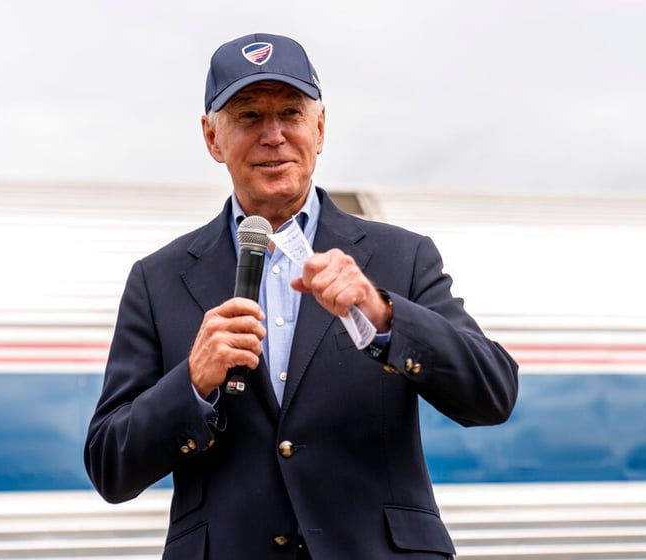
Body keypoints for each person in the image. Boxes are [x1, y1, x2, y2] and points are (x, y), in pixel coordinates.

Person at [84, 32, 518, 560]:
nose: (273, 135)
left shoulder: (400, 258)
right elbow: (110, 466)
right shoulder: (159, 279)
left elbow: (493, 393)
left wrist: (384, 315)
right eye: (247, 116)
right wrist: (192, 382)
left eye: (290, 112)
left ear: (320, 127)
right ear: (211, 137)